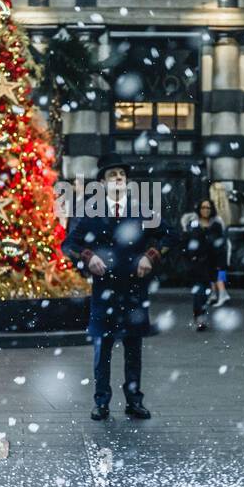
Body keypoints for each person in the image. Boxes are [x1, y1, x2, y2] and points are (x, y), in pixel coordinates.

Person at [63, 161, 175, 421]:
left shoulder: (142, 211)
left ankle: (134, 401)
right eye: (112, 175)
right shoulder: (91, 213)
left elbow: (171, 235)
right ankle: (101, 402)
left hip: (134, 291)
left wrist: (151, 255)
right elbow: (69, 244)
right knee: (102, 350)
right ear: (102, 183)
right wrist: (88, 257)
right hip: (105, 292)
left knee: (133, 349)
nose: (118, 178)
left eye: (122, 174)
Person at [184, 198, 226, 330]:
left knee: (206, 293)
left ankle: (201, 316)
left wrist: (222, 271)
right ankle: (199, 318)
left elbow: (220, 248)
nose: (205, 210)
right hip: (197, 264)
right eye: (203, 207)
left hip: (211, 264)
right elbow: (186, 242)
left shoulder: (216, 226)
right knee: (199, 292)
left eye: (208, 208)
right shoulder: (193, 224)